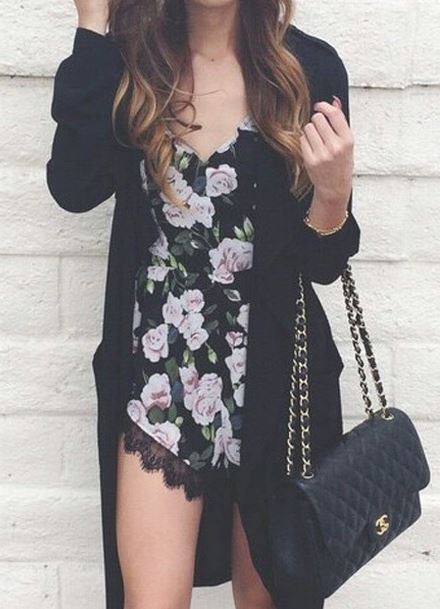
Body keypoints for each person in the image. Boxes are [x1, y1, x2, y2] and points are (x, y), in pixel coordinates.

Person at [46, 1, 360, 608]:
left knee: (271, 597)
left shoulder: (308, 68)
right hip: (161, 379)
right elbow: (73, 187)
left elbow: (324, 264)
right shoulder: (131, 62)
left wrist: (333, 196)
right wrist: (91, 27)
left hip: (275, 381)